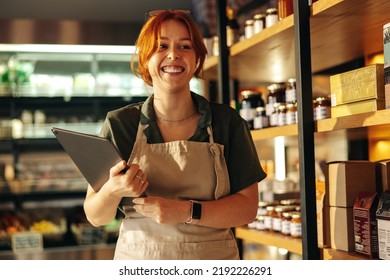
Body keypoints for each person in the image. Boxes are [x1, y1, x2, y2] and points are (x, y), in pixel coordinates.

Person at [83, 9, 267, 260]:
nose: (173, 55)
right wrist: (112, 191)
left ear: (197, 60)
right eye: (161, 46)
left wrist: (187, 211)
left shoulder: (227, 122)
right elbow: (95, 216)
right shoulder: (121, 124)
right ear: (146, 58)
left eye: (185, 46)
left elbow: (247, 208)